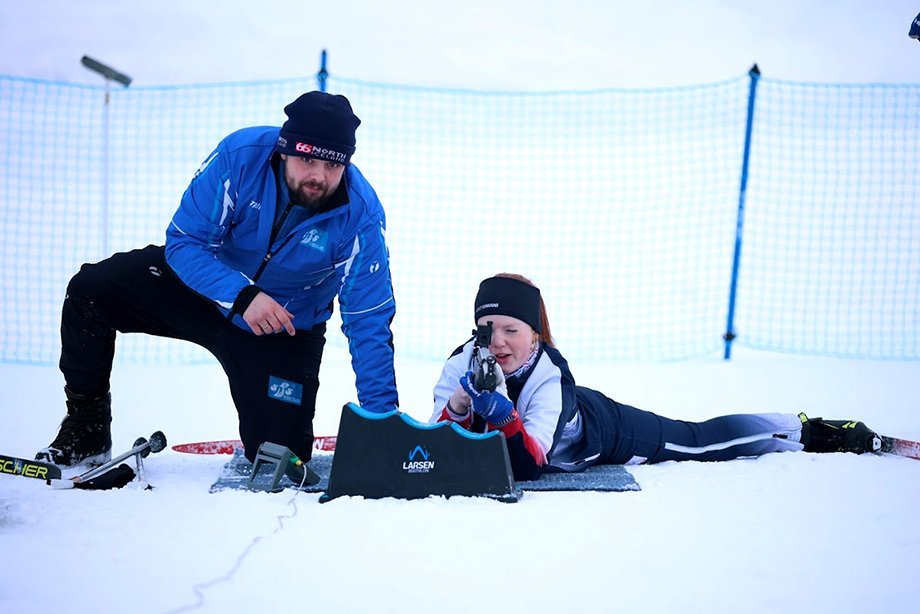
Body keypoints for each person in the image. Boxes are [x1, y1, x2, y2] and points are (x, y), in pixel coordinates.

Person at [37, 91, 398, 469]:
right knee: (90, 291)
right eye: (307, 159)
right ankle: (87, 430)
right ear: (284, 150)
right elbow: (184, 243)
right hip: (201, 290)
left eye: (333, 165)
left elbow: (368, 317)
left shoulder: (360, 215)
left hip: (282, 326)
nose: (319, 176)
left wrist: (382, 423)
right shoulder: (240, 157)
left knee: (281, 461)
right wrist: (241, 295)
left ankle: (281, 434)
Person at [430, 274, 881, 481]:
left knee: (697, 442)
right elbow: (434, 451)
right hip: (542, 425)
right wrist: (458, 407)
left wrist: (504, 416)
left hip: (600, 429)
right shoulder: (462, 364)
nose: (498, 343)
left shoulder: (549, 375)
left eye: (512, 330)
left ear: (535, 334)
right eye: (488, 330)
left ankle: (801, 430)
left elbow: (529, 466)